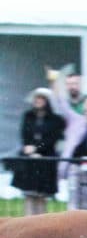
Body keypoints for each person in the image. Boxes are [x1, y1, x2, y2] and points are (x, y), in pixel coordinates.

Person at [12, 87, 66, 215]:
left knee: (41, 195)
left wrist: (38, 148)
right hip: (29, 159)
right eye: (37, 98)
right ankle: (27, 221)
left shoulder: (55, 119)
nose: (38, 101)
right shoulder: (28, 116)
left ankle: (40, 222)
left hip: (45, 159)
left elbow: (53, 138)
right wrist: (28, 148)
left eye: (41, 98)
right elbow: (24, 133)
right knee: (28, 194)